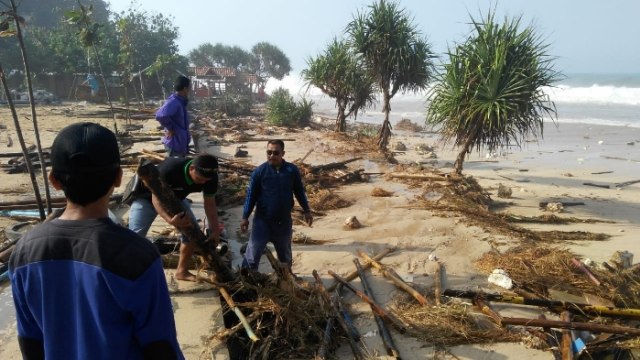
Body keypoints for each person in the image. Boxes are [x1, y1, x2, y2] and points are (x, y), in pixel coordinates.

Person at [8, 122, 183, 360]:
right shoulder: (137, 255)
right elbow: (160, 345)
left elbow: (29, 341)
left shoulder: (24, 251)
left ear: (54, 180)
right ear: (119, 178)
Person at [128, 154, 220, 282]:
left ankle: (182, 271)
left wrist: (215, 230)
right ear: (192, 168)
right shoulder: (170, 169)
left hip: (176, 199)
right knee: (135, 237)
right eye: (200, 179)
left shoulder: (210, 177)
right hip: (147, 198)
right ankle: (129, 273)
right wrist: (169, 219)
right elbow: (156, 197)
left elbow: (210, 204)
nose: (203, 182)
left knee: (192, 233)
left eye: (206, 180)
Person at [240, 140, 313, 271]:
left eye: (275, 153)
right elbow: (251, 196)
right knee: (253, 252)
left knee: (285, 255)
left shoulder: (291, 170)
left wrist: (307, 210)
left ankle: (286, 278)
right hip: (262, 221)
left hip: (283, 222)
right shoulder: (259, 172)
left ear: (283, 153)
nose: (272, 156)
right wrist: (245, 216)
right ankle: (247, 279)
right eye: (269, 152)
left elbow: (299, 191)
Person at [157, 75, 191, 157]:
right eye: (190, 87)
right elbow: (160, 115)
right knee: (176, 169)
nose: (191, 90)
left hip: (180, 145)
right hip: (175, 145)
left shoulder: (180, 102)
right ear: (185, 89)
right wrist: (171, 128)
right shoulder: (174, 101)